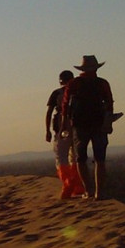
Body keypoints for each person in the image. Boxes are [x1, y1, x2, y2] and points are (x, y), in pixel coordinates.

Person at [62, 54, 115, 200]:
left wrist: (63, 126)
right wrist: (108, 123)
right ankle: (99, 192)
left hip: (79, 125)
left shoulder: (74, 83)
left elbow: (65, 106)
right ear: (96, 68)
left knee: (81, 159)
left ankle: (88, 191)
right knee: (100, 159)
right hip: (98, 123)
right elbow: (109, 103)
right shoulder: (102, 83)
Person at [45, 70, 86, 199]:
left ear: (60, 80)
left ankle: (68, 185)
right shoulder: (79, 92)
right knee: (75, 157)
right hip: (77, 127)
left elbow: (49, 112)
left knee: (61, 157)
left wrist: (47, 130)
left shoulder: (57, 93)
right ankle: (77, 186)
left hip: (61, 128)